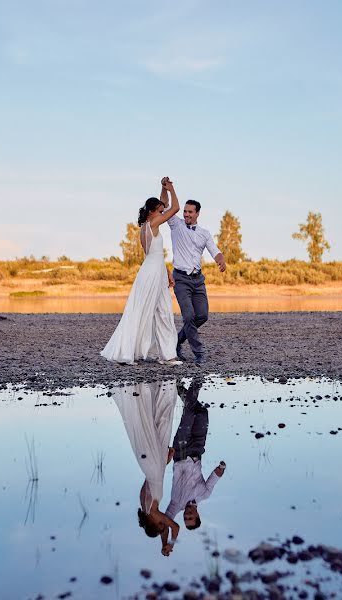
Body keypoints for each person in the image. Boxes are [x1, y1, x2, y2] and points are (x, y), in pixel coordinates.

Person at [101, 177, 182, 365]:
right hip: (151, 274)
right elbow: (175, 207)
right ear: (153, 212)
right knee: (141, 310)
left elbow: (155, 254)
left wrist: (167, 271)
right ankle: (126, 351)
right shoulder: (152, 225)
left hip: (156, 271)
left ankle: (168, 355)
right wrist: (171, 188)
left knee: (163, 311)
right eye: (161, 211)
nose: (163, 212)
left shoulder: (149, 225)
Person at [113, 380, 181, 556]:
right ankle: (158, 388)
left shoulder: (154, 511)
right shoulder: (144, 504)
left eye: (160, 525)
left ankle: (164, 387)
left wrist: (170, 544)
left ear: (154, 523)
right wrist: (163, 463)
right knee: (158, 426)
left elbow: (175, 527)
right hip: (150, 467)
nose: (163, 523)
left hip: (155, 467)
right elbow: (149, 481)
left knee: (162, 423)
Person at [165, 192, 227, 365]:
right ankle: (199, 353)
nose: (186, 214)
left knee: (202, 316)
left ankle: (177, 341)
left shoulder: (204, 233)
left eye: (190, 212)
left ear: (197, 213)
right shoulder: (176, 225)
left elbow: (214, 250)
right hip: (181, 279)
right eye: (185, 211)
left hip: (198, 281)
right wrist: (167, 188)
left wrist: (220, 260)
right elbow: (166, 204)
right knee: (189, 316)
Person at [164, 378, 226, 529]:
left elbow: (165, 522)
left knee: (189, 413)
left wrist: (168, 543)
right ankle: (178, 386)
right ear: (197, 516)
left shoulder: (175, 505)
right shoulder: (204, 495)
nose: (187, 515)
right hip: (198, 449)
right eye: (190, 517)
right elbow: (213, 479)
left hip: (181, 450)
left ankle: (197, 379)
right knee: (202, 412)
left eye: (185, 518)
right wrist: (221, 468)